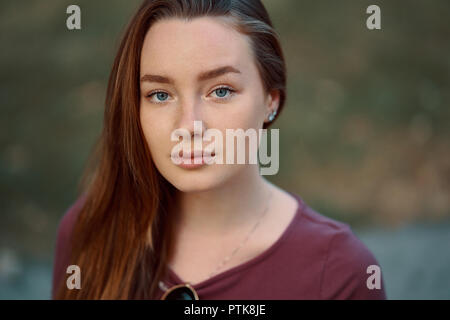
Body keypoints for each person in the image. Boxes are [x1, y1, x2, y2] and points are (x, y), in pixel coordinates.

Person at [52, 0, 387, 300]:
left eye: (221, 91)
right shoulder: (90, 230)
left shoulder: (338, 273)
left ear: (271, 99)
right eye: (160, 94)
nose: (188, 126)